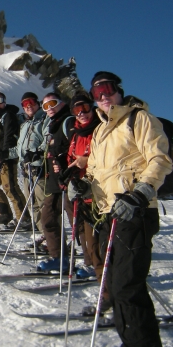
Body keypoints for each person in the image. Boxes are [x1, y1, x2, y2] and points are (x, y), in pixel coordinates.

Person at [78, 71, 173, 347]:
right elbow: (95, 174)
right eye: (97, 92)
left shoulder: (139, 119)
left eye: (108, 89)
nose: (103, 96)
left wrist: (140, 193)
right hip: (109, 216)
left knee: (127, 286)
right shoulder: (101, 132)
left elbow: (160, 158)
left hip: (135, 213)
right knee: (116, 288)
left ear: (118, 91)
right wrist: (83, 187)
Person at [62, 92, 102, 282]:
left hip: (99, 189)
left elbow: (107, 156)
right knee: (85, 231)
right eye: (77, 110)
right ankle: (91, 264)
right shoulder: (76, 134)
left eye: (85, 108)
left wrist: (87, 161)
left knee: (95, 234)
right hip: (82, 188)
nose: (82, 113)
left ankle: (100, 267)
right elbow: (71, 156)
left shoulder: (101, 128)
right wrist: (69, 173)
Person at [36, 92, 74, 272]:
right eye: (45, 106)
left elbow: (76, 147)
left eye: (52, 103)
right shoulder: (53, 125)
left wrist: (64, 162)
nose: (49, 108)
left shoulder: (68, 121)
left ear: (62, 102)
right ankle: (59, 258)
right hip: (54, 181)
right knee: (48, 218)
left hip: (70, 179)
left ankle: (93, 263)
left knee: (78, 223)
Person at [0, 92, 27, 227]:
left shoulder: (8, 115)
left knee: (10, 187)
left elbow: (9, 136)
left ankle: (24, 218)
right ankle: (4, 214)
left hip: (7, 157)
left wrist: (4, 153)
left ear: (4, 101)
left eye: (0, 100)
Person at [8, 92, 45, 231]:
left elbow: (48, 142)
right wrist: (5, 153)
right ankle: (43, 233)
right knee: (32, 203)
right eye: (24, 104)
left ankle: (53, 239)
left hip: (39, 169)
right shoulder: (25, 124)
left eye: (31, 102)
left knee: (43, 204)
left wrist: (37, 154)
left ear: (38, 103)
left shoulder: (44, 120)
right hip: (26, 169)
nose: (28, 106)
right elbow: (19, 147)